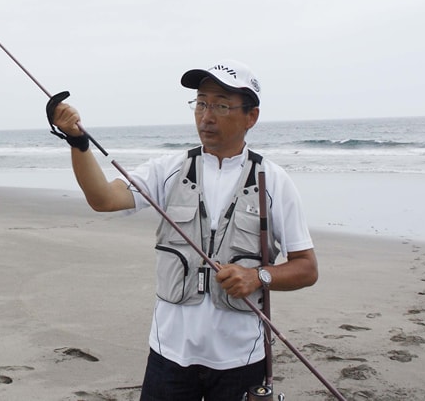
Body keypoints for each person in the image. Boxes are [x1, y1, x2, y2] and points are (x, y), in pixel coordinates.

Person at [49, 60, 318, 401]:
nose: (207, 115)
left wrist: (258, 278)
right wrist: (77, 141)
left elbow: (306, 268)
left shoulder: (274, 181)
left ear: (251, 116)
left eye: (221, 105)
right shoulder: (168, 170)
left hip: (242, 359)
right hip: (169, 356)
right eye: (201, 103)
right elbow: (103, 199)